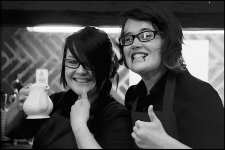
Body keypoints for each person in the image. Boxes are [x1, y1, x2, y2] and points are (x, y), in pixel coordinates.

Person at [5, 26, 134, 149]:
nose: (81, 71)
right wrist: (17, 106)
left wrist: (79, 126)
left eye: (90, 63)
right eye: (73, 62)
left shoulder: (117, 116)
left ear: (107, 68)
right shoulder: (53, 103)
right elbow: (12, 132)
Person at [118, 3, 224, 149]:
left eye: (146, 35)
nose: (134, 44)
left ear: (168, 41)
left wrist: (164, 144)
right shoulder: (133, 95)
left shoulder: (199, 94)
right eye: (128, 38)